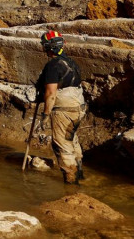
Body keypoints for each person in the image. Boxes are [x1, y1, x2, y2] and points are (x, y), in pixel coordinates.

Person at [35, 30, 86, 184]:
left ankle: (71, 183)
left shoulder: (53, 65)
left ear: (47, 47)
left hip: (64, 110)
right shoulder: (71, 62)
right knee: (72, 139)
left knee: (62, 145)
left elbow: (51, 93)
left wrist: (45, 114)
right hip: (79, 107)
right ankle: (80, 175)